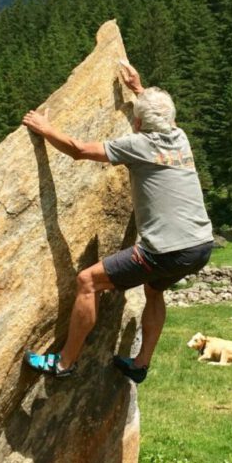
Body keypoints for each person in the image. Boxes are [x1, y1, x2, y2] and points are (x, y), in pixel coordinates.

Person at [21, 61, 214, 382]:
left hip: (164, 251)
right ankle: (140, 365)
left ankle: (64, 364)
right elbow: (164, 116)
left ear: (137, 124)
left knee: (87, 281)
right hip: (200, 246)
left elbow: (79, 150)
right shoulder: (180, 137)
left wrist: (45, 128)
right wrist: (139, 90)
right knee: (154, 291)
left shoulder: (138, 145)